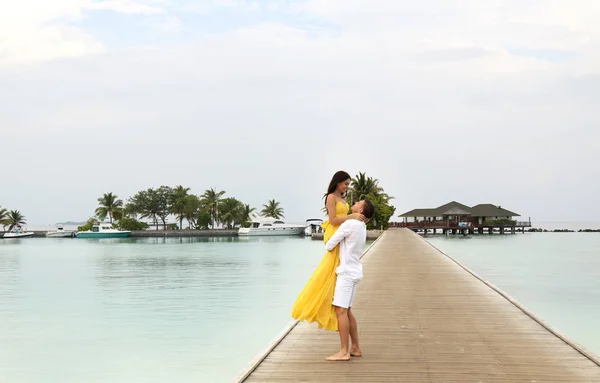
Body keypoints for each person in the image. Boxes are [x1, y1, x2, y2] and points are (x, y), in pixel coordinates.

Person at [291, 171, 367, 331]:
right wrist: (352, 216)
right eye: (345, 183)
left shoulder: (344, 198)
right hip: (335, 232)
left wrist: (353, 219)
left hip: (344, 232)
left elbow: (347, 219)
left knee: (339, 268)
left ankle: (339, 301)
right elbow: (333, 220)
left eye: (348, 184)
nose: (347, 186)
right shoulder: (331, 197)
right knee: (329, 270)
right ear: (338, 182)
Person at [324, 198, 375, 361]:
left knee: (341, 311)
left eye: (359, 203)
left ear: (360, 211)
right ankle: (356, 348)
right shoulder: (361, 225)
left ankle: (344, 352)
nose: (355, 203)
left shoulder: (350, 224)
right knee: (348, 311)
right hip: (355, 271)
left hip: (346, 273)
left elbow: (329, 244)